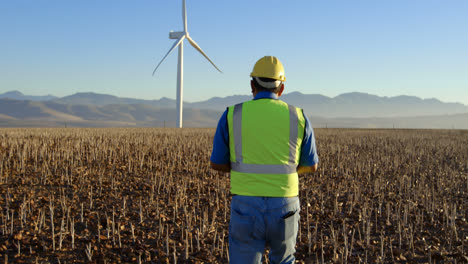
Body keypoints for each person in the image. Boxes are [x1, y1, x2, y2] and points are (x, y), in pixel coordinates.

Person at [210, 56, 319, 264]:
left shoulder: (232, 115)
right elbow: (311, 165)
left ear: (252, 85)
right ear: (282, 88)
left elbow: (216, 163)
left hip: (246, 205)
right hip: (285, 204)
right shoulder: (299, 116)